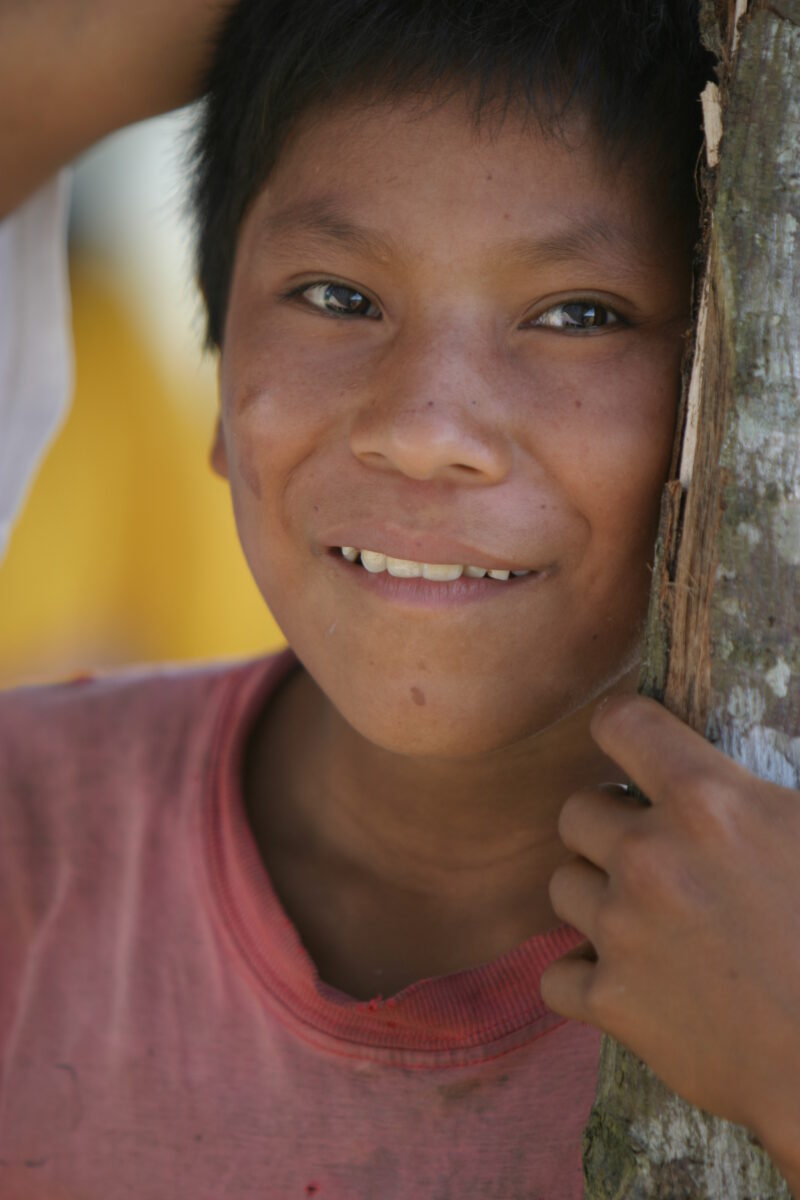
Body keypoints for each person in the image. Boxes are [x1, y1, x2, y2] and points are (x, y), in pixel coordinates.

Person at [1, 2, 799, 1196]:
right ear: (218, 380)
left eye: (576, 315)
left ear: (733, 406)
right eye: (335, 297)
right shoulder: (30, 844)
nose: (424, 432)